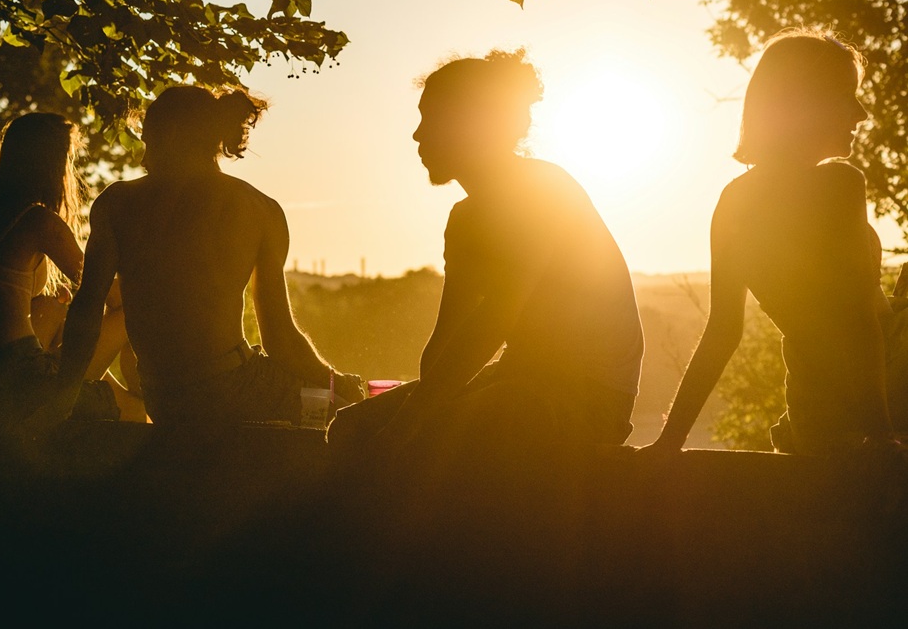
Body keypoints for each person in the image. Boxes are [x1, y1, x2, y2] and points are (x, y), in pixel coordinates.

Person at [329, 49, 644, 453]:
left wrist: (410, 420)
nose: (417, 134)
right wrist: (412, 407)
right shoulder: (464, 220)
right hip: (519, 379)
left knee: (422, 438)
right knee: (351, 428)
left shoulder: (541, 191)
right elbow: (445, 341)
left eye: (430, 117)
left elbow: (493, 321)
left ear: (469, 124)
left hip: (588, 400)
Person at [640, 28, 894, 456]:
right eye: (848, 95)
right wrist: (882, 434)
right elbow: (859, 320)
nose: (862, 113)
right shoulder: (839, 185)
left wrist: (669, 443)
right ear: (806, 103)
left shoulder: (735, 202)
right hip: (884, 389)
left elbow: (721, 334)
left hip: (815, 409)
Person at [57, 85, 362, 433]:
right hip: (235, 387)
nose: (143, 158)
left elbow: (86, 309)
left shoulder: (116, 203)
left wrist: (61, 399)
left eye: (147, 142)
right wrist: (337, 384)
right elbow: (281, 341)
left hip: (161, 395)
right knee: (354, 420)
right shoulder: (258, 208)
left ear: (169, 134)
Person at [0, 113, 125, 435]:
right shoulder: (37, 221)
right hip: (17, 378)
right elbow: (107, 294)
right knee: (135, 310)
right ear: (54, 163)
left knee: (56, 314)